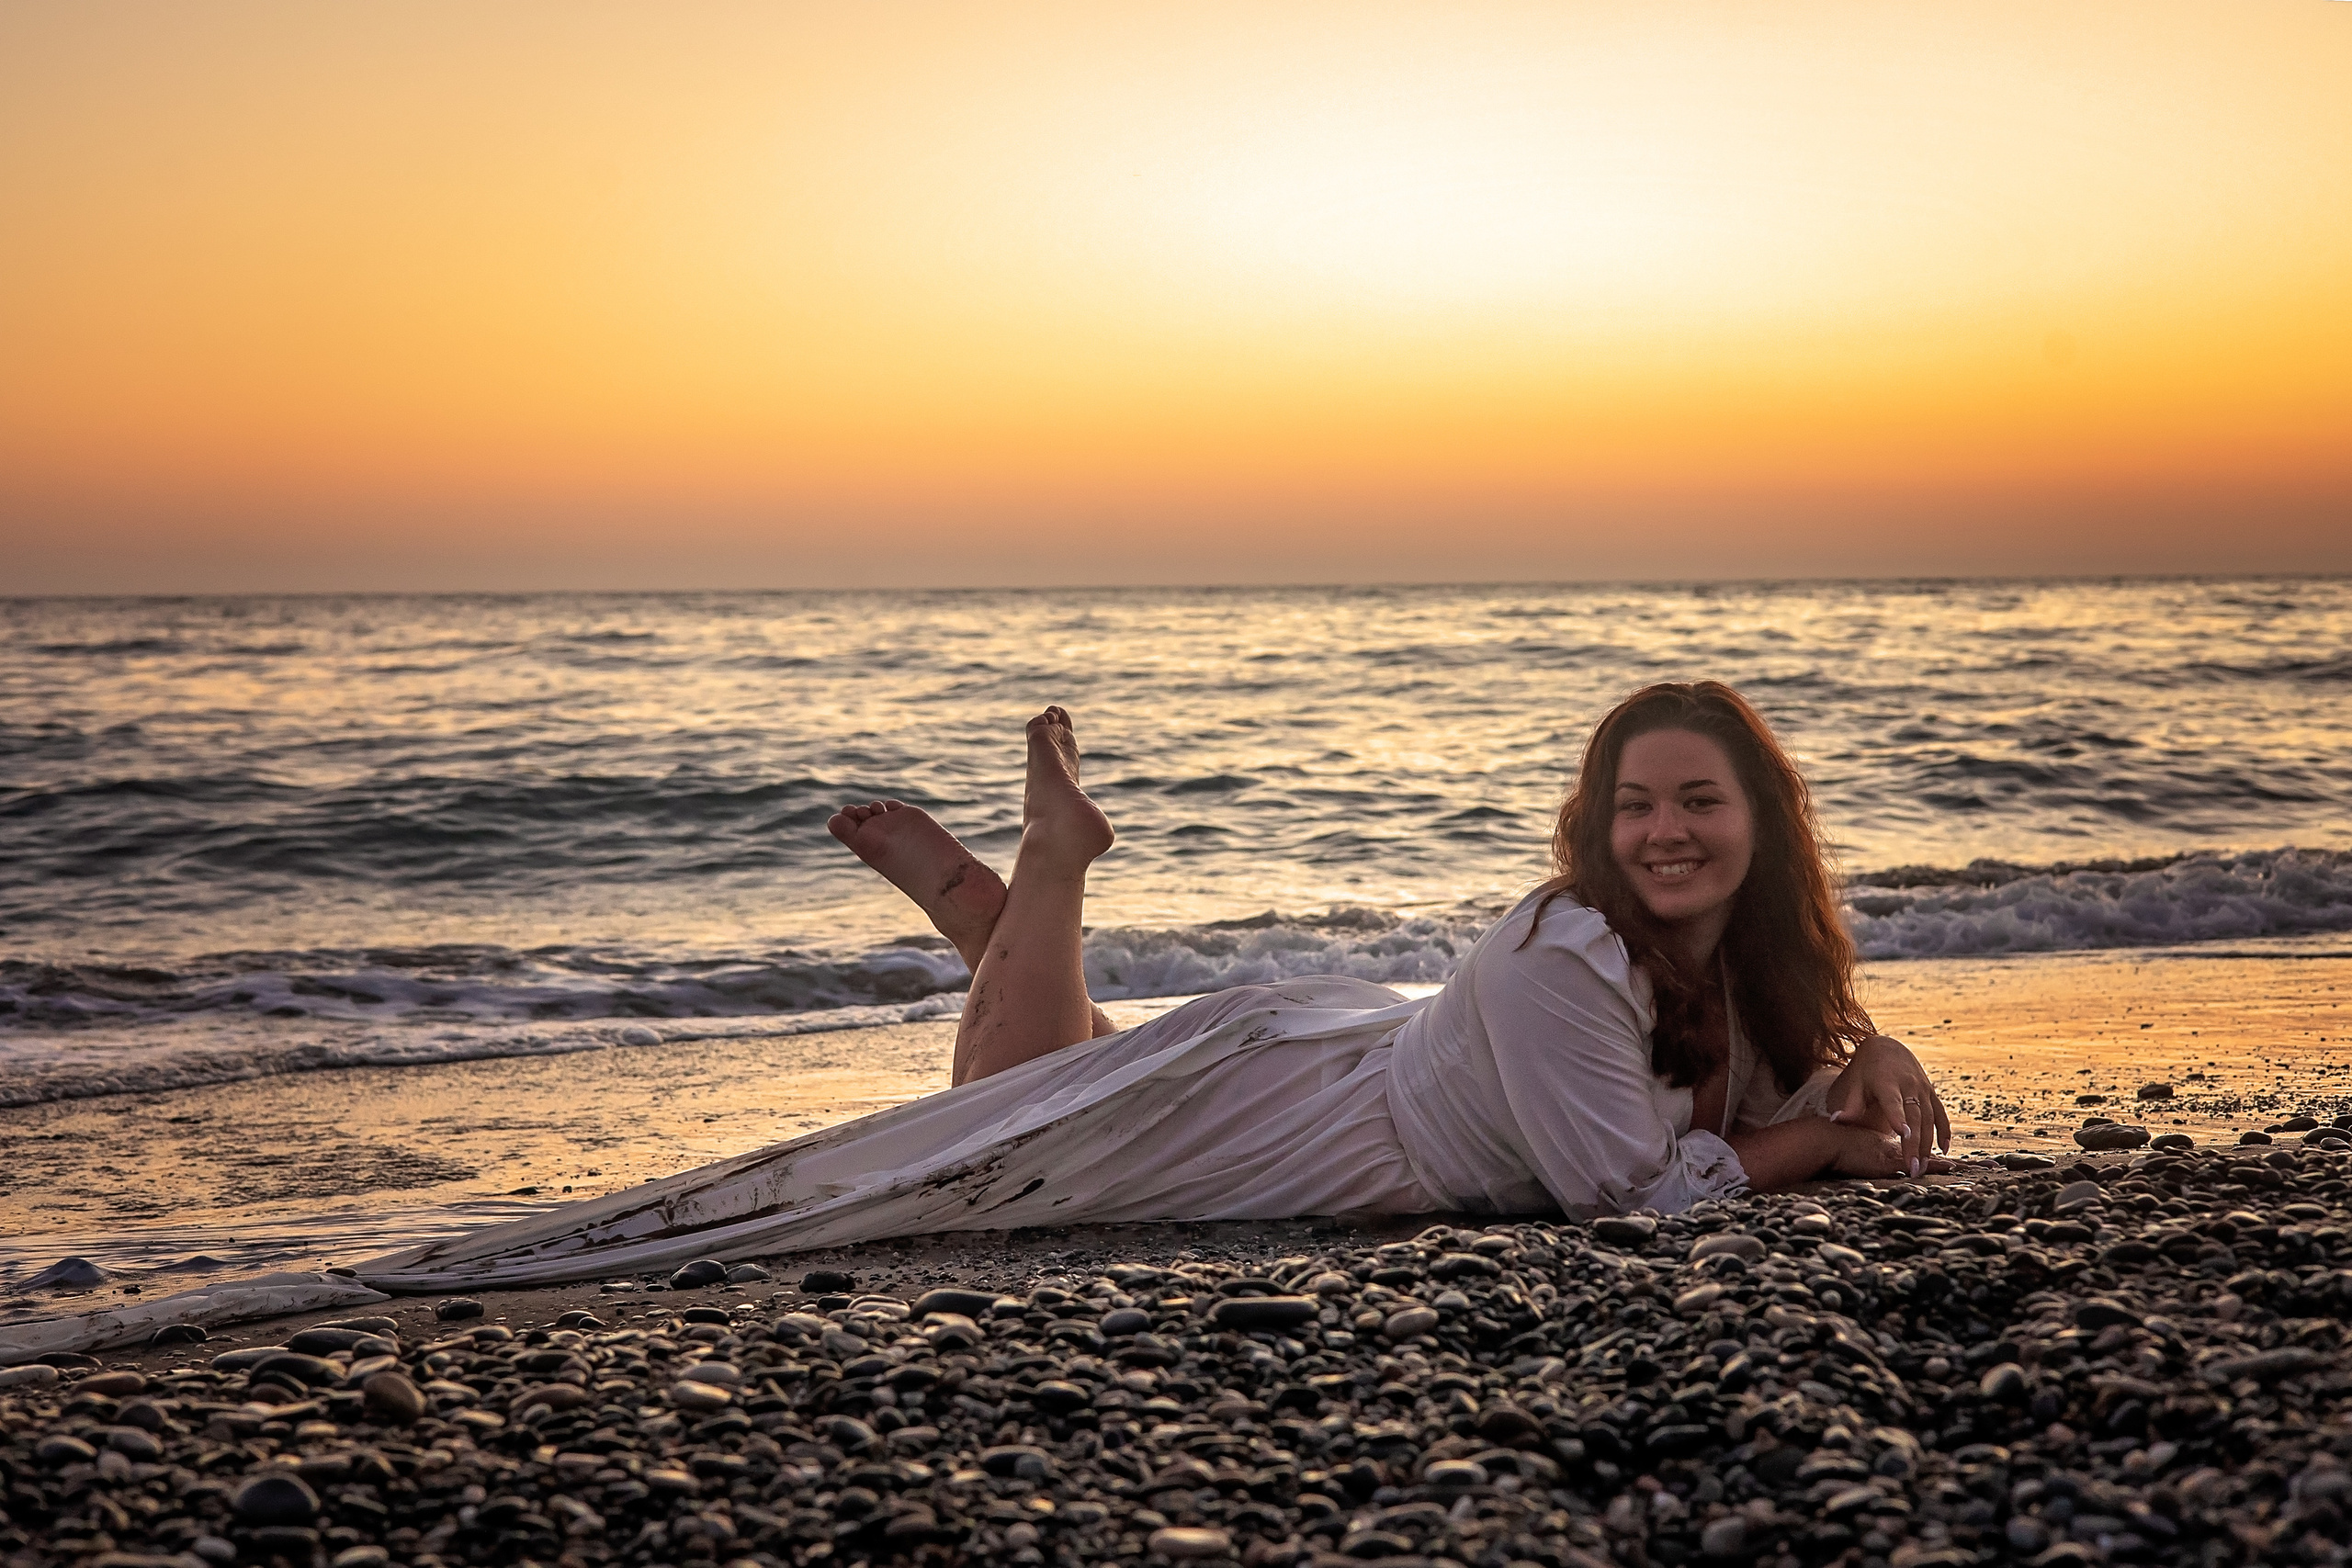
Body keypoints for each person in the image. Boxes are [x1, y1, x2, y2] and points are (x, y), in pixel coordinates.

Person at [352, 682, 1950, 1291]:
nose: (1664, 834)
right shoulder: (1562, 949)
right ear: (1594, 828)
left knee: (1074, 1076)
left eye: (1699, 804)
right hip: (1333, 1127)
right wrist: (1821, 1146)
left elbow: (1779, 1076)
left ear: (1762, 822)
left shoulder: (1748, 955)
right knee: (1003, 1120)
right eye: (1635, 806)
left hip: (1351, 1077)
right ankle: (1046, 872)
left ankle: (987, 914)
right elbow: (1627, 1196)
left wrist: (1865, 1047)